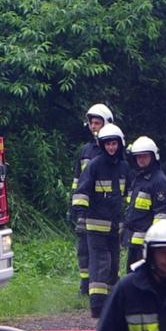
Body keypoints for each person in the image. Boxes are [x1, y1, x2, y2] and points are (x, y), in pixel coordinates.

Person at [73, 123, 129, 318]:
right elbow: (82, 190)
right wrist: (80, 212)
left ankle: (112, 303)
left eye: (114, 144)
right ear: (103, 145)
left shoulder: (123, 167)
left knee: (114, 264)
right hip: (96, 224)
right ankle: (97, 306)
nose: (111, 148)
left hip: (115, 227)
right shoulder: (95, 165)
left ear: (119, 145)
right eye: (108, 144)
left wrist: (128, 219)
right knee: (100, 263)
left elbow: (129, 194)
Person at [72, 104, 117, 297]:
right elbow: (77, 181)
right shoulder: (85, 151)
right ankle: (85, 285)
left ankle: (107, 286)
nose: (93, 127)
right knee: (84, 248)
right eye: (91, 123)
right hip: (86, 209)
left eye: (97, 123)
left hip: (106, 210)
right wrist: (74, 206)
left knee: (107, 252)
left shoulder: (112, 150)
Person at [122, 136, 166, 269]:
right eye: (138, 157)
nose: (141, 160)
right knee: (133, 279)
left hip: (148, 243)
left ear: (153, 157)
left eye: (145, 156)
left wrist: (155, 240)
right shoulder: (139, 178)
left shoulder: (158, 181)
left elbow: (163, 215)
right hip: (134, 241)